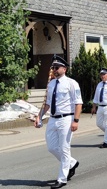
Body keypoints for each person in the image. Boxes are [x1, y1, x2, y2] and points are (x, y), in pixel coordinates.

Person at [34, 55, 82, 189]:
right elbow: (47, 104)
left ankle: (62, 178)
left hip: (66, 119)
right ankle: (71, 163)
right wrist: (39, 116)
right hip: (53, 119)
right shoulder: (51, 83)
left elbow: (78, 103)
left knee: (64, 148)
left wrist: (76, 121)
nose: (54, 70)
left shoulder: (72, 83)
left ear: (64, 69)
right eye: (53, 67)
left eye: (57, 67)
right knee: (51, 147)